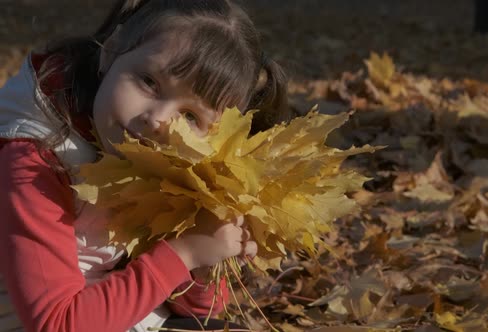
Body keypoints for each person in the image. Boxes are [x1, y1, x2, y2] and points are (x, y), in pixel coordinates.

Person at [0, 0, 289, 331]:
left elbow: (195, 308)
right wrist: (183, 254)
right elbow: (57, 324)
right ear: (110, 52)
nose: (158, 120)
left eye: (191, 116)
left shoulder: (165, 163)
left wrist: (204, 264)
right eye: (149, 82)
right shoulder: (36, 162)